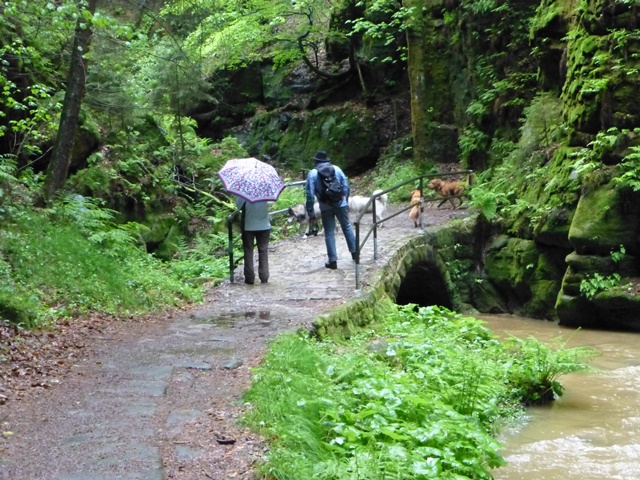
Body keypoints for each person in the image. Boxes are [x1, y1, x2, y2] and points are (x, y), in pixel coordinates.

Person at [305, 150, 357, 269]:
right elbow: (345, 185)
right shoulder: (337, 169)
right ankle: (355, 253)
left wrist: (310, 211)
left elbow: (309, 194)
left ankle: (332, 260)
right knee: (347, 226)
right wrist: (345, 199)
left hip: (325, 205)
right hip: (340, 203)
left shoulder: (313, 173)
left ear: (316, 161)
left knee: (329, 232)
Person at [236, 196, 271, 284]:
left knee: (248, 251)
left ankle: (249, 277)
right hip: (264, 225)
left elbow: (239, 207)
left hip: (248, 226)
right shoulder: (264, 190)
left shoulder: (243, 192)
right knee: (263, 250)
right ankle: (264, 276)